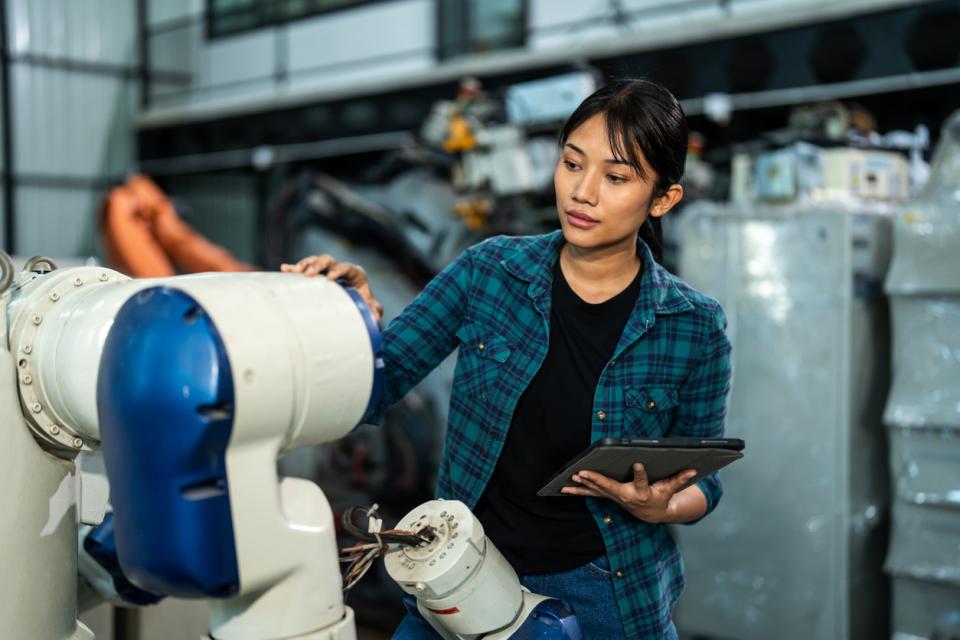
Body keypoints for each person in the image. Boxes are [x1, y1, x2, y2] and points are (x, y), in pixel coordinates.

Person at [282, 79, 733, 640]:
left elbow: (704, 483)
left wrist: (661, 506)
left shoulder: (693, 324)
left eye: (615, 178)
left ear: (662, 199)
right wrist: (352, 319)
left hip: (606, 592)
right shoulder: (489, 272)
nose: (583, 192)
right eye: (572, 164)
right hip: (461, 571)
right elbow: (382, 380)